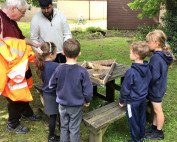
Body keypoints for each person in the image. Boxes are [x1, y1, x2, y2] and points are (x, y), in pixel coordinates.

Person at [0, 0, 41, 134]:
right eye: (22, 12)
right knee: (15, 95)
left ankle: (26, 113)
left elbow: (21, 39)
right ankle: (13, 123)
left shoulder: (11, 21)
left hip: (20, 66)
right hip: (9, 69)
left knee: (24, 89)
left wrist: (36, 45)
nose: (23, 15)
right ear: (13, 8)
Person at [49, 39, 93, 142]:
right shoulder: (83, 71)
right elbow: (88, 91)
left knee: (64, 127)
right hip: (76, 106)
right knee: (74, 129)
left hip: (62, 105)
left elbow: (51, 85)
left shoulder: (58, 68)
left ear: (63, 52)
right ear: (79, 54)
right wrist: (87, 100)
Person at [119, 41, 152, 142]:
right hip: (142, 99)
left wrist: (121, 101)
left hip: (132, 102)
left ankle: (135, 140)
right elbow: (149, 79)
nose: (129, 54)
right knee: (141, 118)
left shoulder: (131, 72)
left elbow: (125, 88)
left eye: (130, 52)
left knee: (133, 120)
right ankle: (141, 135)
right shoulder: (147, 67)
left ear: (136, 55)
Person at [145, 30, 173, 140]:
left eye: (148, 42)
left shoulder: (156, 58)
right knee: (155, 109)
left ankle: (159, 132)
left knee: (157, 110)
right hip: (160, 87)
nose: (147, 43)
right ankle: (154, 127)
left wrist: (145, 76)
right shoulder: (163, 55)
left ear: (157, 43)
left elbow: (154, 76)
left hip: (156, 88)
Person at [35, 42, 59, 142]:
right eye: (56, 52)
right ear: (51, 54)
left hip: (46, 93)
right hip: (54, 93)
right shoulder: (56, 66)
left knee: (53, 115)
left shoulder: (41, 64)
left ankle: (53, 135)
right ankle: (51, 137)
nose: (56, 54)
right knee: (55, 116)